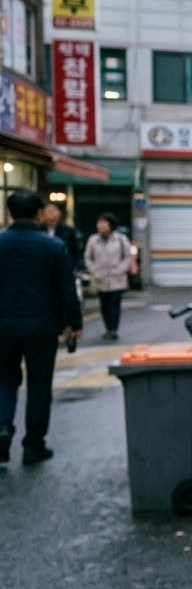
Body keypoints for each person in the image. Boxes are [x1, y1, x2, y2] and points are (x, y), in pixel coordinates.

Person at [0, 190, 84, 465]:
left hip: (3, 327)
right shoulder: (52, 247)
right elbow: (67, 290)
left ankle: (2, 428)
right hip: (42, 327)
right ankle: (33, 444)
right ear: (38, 214)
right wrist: (74, 323)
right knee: (39, 385)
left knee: (4, 381)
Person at [84, 212, 135, 341]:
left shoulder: (120, 239)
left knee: (114, 304)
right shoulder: (93, 239)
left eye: (104, 224)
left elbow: (127, 256)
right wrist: (93, 270)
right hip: (100, 278)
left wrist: (121, 269)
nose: (101, 226)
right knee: (104, 305)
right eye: (99, 223)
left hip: (117, 278)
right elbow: (88, 257)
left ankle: (113, 329)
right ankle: (108, 328)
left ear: (111, 225)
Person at [40, 200, 84, 270]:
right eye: (48, 211)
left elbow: (75, 253)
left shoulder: (68, 231)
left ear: (60, 213)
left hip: (63, 268)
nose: (51, 213)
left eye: (53, 210)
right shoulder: (38, 230)